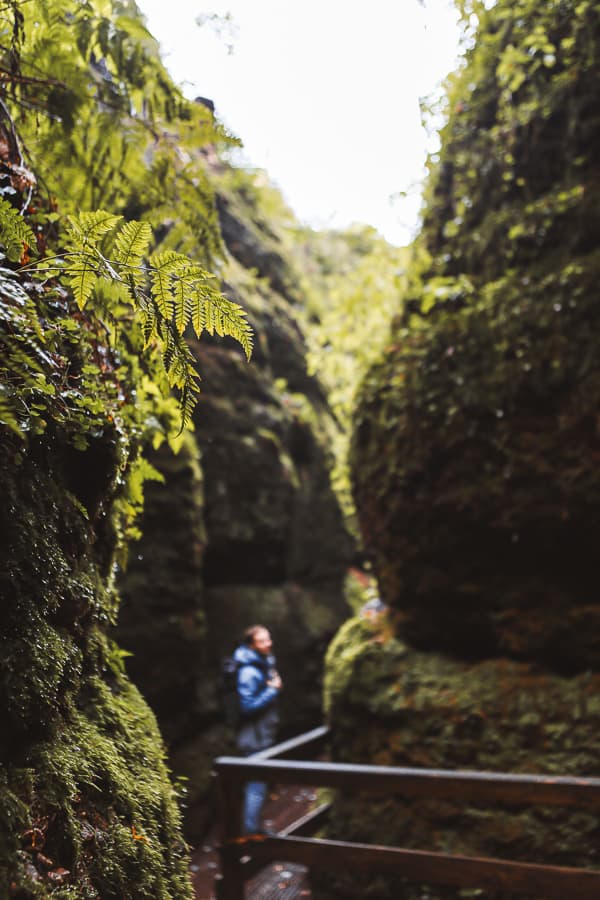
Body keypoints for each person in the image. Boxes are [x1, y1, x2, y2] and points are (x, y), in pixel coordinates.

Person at [233, 624, 282, 834]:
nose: (268, 643)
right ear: (252, 645)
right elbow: (247, 706)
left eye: (268, 639)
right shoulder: (248, 671)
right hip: (253, 739)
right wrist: (272, 690)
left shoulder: (262, 664)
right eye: (262, 641)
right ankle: (250, 832)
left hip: (261, 735)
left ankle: (252, 828)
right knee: (256, 784)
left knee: (258, 783)